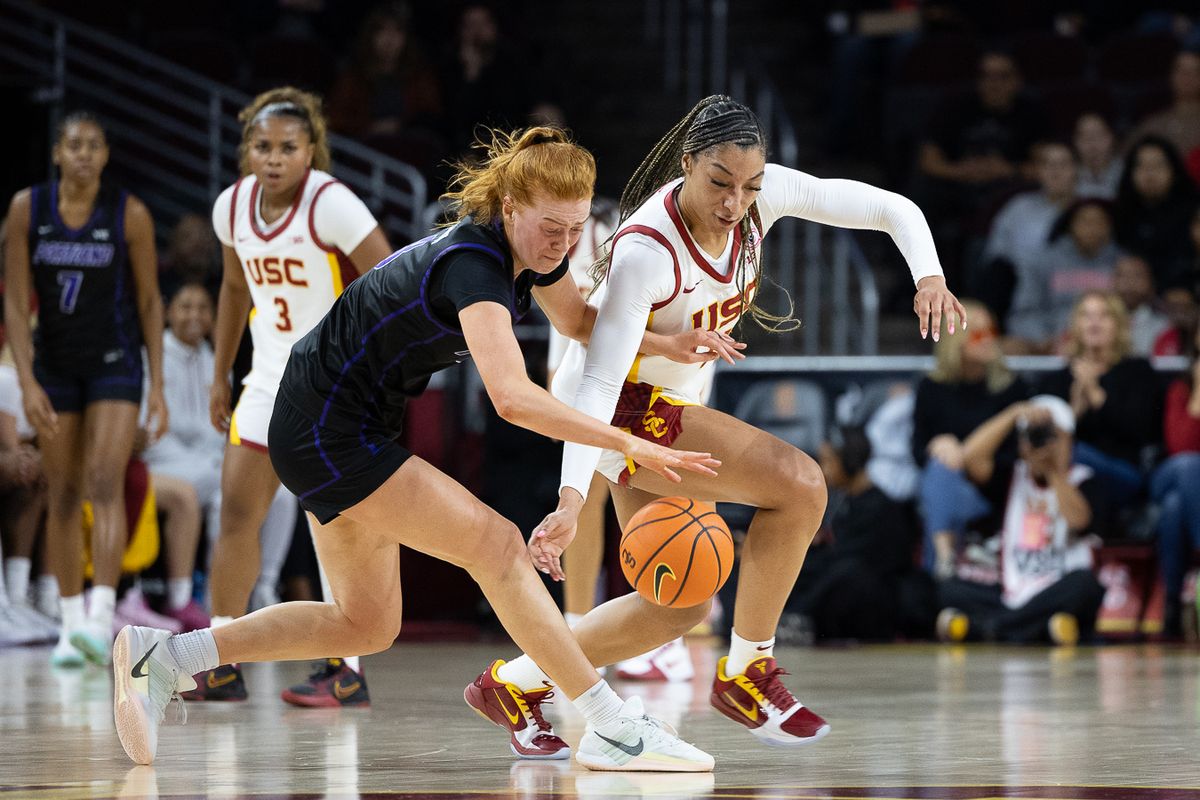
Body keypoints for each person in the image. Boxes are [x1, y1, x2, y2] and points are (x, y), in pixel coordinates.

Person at [112, 125, 722, 772]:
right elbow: (511, 398)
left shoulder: (535, 252)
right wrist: (626, 441)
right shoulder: (474, 265)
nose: (564, 244)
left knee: (365, 625)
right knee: (497, 547)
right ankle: (610, 723)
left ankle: (167, 658)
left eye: (575, 229)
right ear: (509, 208)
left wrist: (661, 345)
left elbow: (574, 321)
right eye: (551, 228)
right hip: (325, 424)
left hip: (341, 419)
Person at [476, 95, 964, 753]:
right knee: (801, 484)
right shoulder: (648, 251)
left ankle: (516, 679)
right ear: (687, 165)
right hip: (618, 401)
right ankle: (747, 669)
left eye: (750, 186)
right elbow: (596, 379)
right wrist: (571, 497)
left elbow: (889, 208)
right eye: (720, 183)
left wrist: (928, 276)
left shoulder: (759, 196)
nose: (736, 201)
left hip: (667, 398)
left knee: (679, 603)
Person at [194, 87, 393, 707]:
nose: (274, 158)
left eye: (288, 147)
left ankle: (347, 666)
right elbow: (232, 288)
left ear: (312, 151)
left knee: (329, 520)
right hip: (266, 375)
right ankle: (218, 657)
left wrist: (371, 368)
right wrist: (222, 372)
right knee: (235, 513)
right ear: (244, 151)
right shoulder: (231, 207)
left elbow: (388, 275)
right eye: (262, 146)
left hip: (329, 379)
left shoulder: (330, 203)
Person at [3, 111, 167, 666]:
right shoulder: (28, 208)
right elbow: (13, 298)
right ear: (56, 153)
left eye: (94, 145)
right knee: (62, 489)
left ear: (105, 156)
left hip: (115, 361)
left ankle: (101, 618)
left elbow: (149, 302)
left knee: (103, 481)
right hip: (53, 362)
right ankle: (69, 623)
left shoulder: (130, 214)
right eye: (73, 144)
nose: (83, 154)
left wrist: (159, 386)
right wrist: (26, 382)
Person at [935, 395, 1106, 646]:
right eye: (1033, 437)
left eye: (1051, 436)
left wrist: (1052, 472)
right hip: (1013, 590)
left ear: (1069, 441)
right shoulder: (1012, 477)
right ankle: (1037, 629)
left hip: (1057, 587)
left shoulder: (1086, 480)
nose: (1042, 444)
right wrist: (1013, 413)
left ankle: (986, 629)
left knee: (1086, 586)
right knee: (948, 588)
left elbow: (1079, 521)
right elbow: (970, 459)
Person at [913, 300, 1029, 577]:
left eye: (991, 331)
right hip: (946, 483)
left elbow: (1016, 455)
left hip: (993, 489)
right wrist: (936, 445)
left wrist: (965, 456)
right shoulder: (932, 388)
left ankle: (940, 569)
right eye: (977, 333)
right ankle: (944, 560)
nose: (988, 339)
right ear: (956, 338)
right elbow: (917, 450)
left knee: (939, 486)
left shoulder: (1012, 388)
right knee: (940, 477)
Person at [1038, 292, 1163, 514]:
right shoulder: (1058, 379)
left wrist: (1095, 393)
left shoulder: (1138, 371)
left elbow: (1140, 429)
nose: (1094, 322)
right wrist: (1076, 408)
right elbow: (1046, 436)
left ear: (1119, 325)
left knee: (1071, 452)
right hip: (1070, 471)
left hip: (1124, 471)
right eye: (1086, 315)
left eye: (1104, 315)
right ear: (1076, 325)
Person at [1006, 199, 1120, 354]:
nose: (1092, 228)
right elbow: (1024, 312)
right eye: (1085, 221)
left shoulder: (1122, 262)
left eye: (1099, 222)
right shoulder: (1044, 261)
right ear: (1070, 225)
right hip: (1051, 347)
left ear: (1109, 227)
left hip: (1110, 348)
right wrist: (1043, 339)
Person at [1153, 323, 1200, 638]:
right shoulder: (1181, 388)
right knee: (1187, 466)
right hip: (1171, 474)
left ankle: (1171, 607)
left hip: (1186, 498)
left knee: (1174, 509)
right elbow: (1181, 445)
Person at [1113, 135, 1198, 289]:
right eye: (1142, 166)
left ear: (1174, 171)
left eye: (1158, 165)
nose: (1150, 174)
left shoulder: (1193, 213)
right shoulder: (1119, 213)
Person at [1112, 253, 1171, 357]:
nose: (1130, 282)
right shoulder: (1100, 321)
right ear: (1112, 282)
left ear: (1151, 284)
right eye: (1123, 275)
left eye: (1137, 276)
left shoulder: (1165, 326)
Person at [1073, 112, 1122, 200]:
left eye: (1099, 135)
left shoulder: (1127, 171)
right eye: (1085, 137)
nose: (1092, 144)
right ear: (1075, 141)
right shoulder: (1067, 173)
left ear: (1111, 138)